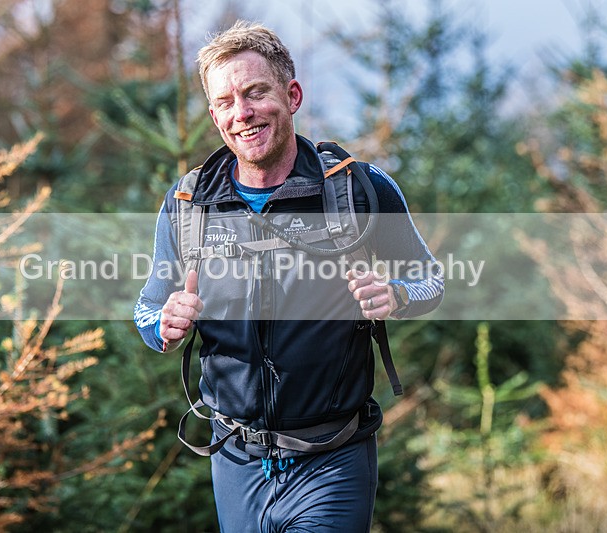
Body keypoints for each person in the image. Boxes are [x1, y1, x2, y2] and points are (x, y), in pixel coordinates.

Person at [134, 20, 443, 532]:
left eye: (257, 93)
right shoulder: (189, 205)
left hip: (333, 458)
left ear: (292, 94)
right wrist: (164, 325)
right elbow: (148, 307)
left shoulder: (356, 189)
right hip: (235, 461)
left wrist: (396, 295)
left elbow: (429, 277)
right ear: (215, 116)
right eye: (227, 102)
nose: (244, 113)